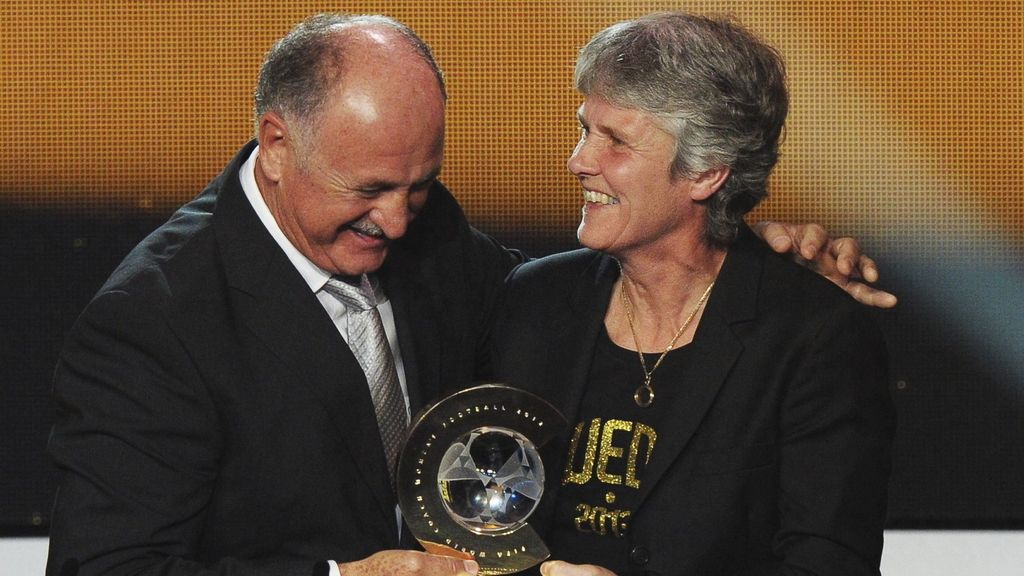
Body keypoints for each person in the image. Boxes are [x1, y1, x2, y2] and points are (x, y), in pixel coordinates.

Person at [46, 12, 891, 576]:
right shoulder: (156, 320)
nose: (400, 223)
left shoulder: (465, 260)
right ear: (275, 143)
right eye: (372, 187)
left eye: (420, 188)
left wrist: (752, 247)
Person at [492, 13, 895, 576]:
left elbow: (827, 565)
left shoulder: (814, 337)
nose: (579, 161)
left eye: (617, 141)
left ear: (706, 172)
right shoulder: (534, 300)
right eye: (585, 128)